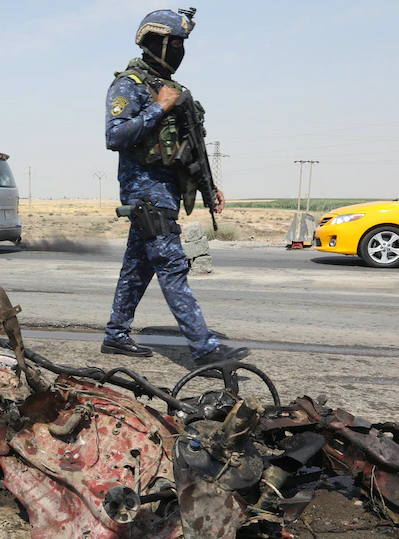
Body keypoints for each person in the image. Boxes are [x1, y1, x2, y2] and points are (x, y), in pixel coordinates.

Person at [102, 9, 248, 366]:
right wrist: (157, 108)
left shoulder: (175, 90)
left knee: (138, 267)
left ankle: (115, 335)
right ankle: (206, 349)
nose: (181, 52)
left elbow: (191, 146)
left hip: (166, 192)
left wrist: (209, 187)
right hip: (144, 192)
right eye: (176, 44)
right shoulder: (130, 85)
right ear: (156, 43)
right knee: (172, 265)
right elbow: (115, 136)